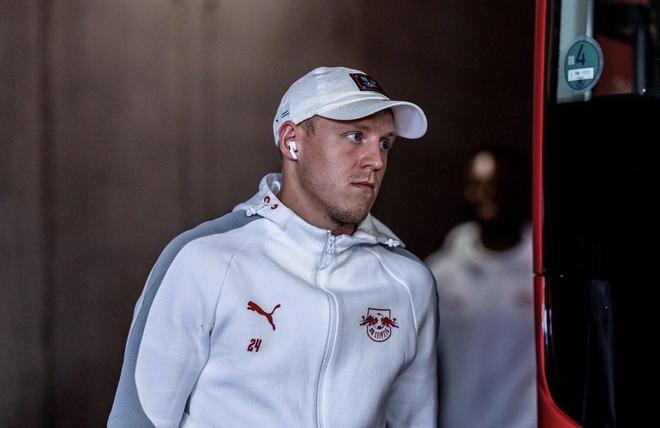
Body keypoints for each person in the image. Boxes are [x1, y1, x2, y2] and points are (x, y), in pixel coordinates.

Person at [108, 66, 438, 427]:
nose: (376, 160)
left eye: (385, 143)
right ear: (291, 141)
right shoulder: (204, 260)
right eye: (355, 136)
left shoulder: (409, 282)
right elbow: (137, 420)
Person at [425, 147, 536, 428]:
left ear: (520, 190)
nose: (486, 195)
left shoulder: (542, 274)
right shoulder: (440, 274)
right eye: (477, 185)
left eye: (498, 185)